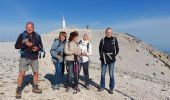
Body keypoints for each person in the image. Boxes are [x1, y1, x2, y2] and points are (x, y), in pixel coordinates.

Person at [15, 22, 43, 99]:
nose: (29, 28)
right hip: (24, 57)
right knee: (22, 73)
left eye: (30, 27)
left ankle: (35, 87)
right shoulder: (22, 35)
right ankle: (18, 89)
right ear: (25, 27)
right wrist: (25, 44)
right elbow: (16, 46)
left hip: (34, 58)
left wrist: (38, 48)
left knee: (36, 73)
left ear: (33, 27)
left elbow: (41, 46)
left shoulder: (37, 36)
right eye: (27, 27)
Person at [98, 28, 119, 94]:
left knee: (111, 74)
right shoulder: (103, 40)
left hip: (111, 59)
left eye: (109, 32)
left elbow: (117, 49)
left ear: (111, 33)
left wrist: (113, 56)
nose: (108, 33)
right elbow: (100, 49)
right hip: (104, 59)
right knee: (103, 73)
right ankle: (102, 86)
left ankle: (111, 88)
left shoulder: (114, 39)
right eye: (107, 32)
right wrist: (102, 57)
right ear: (105, 32)